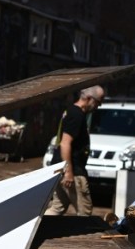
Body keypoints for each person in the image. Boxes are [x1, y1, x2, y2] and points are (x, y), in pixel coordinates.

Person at [44, 85, 105, 216]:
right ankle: (85, 236)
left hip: (60, 168)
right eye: (99, 101)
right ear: (89, 98)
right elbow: (65, 143)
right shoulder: (76, 115)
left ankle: (37, 229)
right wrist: (69, 172)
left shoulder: (72, 111)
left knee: (57, 208)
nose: (99, 106)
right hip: (72, 171)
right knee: (85, 212)